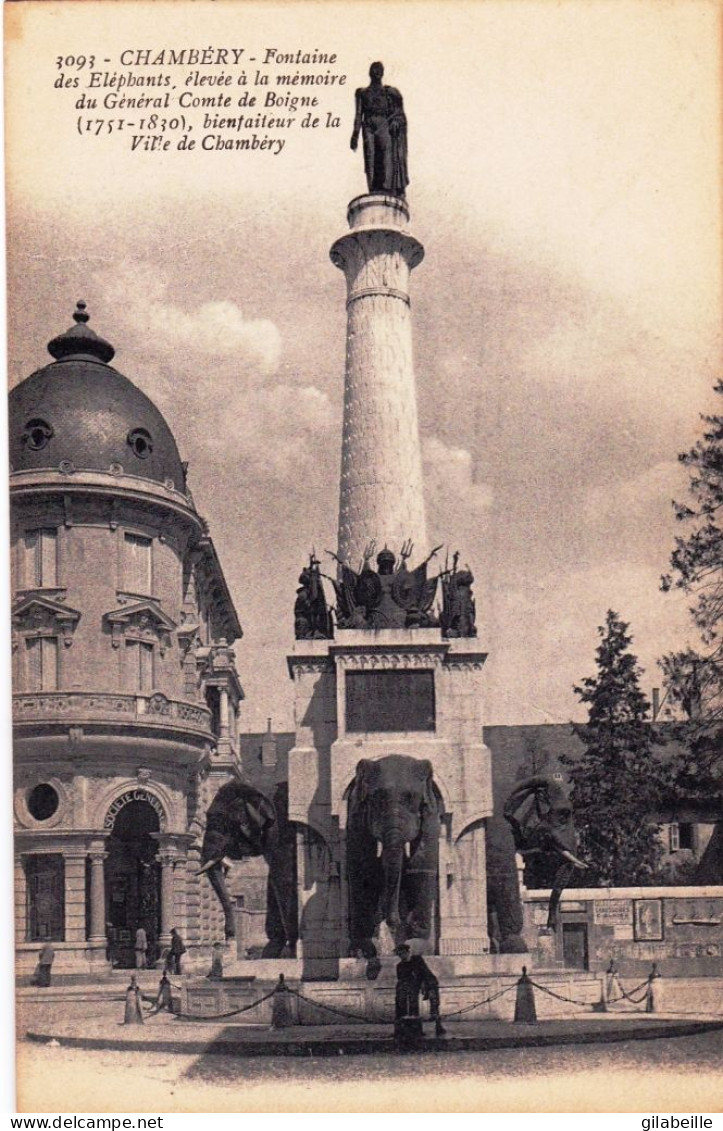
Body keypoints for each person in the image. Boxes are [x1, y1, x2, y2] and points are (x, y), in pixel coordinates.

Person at [350, 62, 409, 198]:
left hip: (383, 123)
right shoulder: (362, 93)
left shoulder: (388, 92)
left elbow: (399, 113)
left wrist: (395, 121)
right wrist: (355, 135)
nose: (377, 72)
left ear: (382, 73)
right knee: (370, 156)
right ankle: (373, 188)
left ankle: (387, 188)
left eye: (379, 70)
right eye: (374, 69)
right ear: (370, 72)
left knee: (386, 154)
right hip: (368, 126)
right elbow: (359, 115)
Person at [394, 943, 445, 1045]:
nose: (401, 956)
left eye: (402, 954)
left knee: (432, 1005)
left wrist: (423, 986)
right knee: (405, 1003)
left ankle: (436, 1025)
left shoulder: (417, 960)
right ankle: (405, 1029)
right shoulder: (400, 966)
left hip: (429, 983)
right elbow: (401, 980)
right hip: (413, 986)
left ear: (407, 952)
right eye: (399, 955)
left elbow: (423, 974)